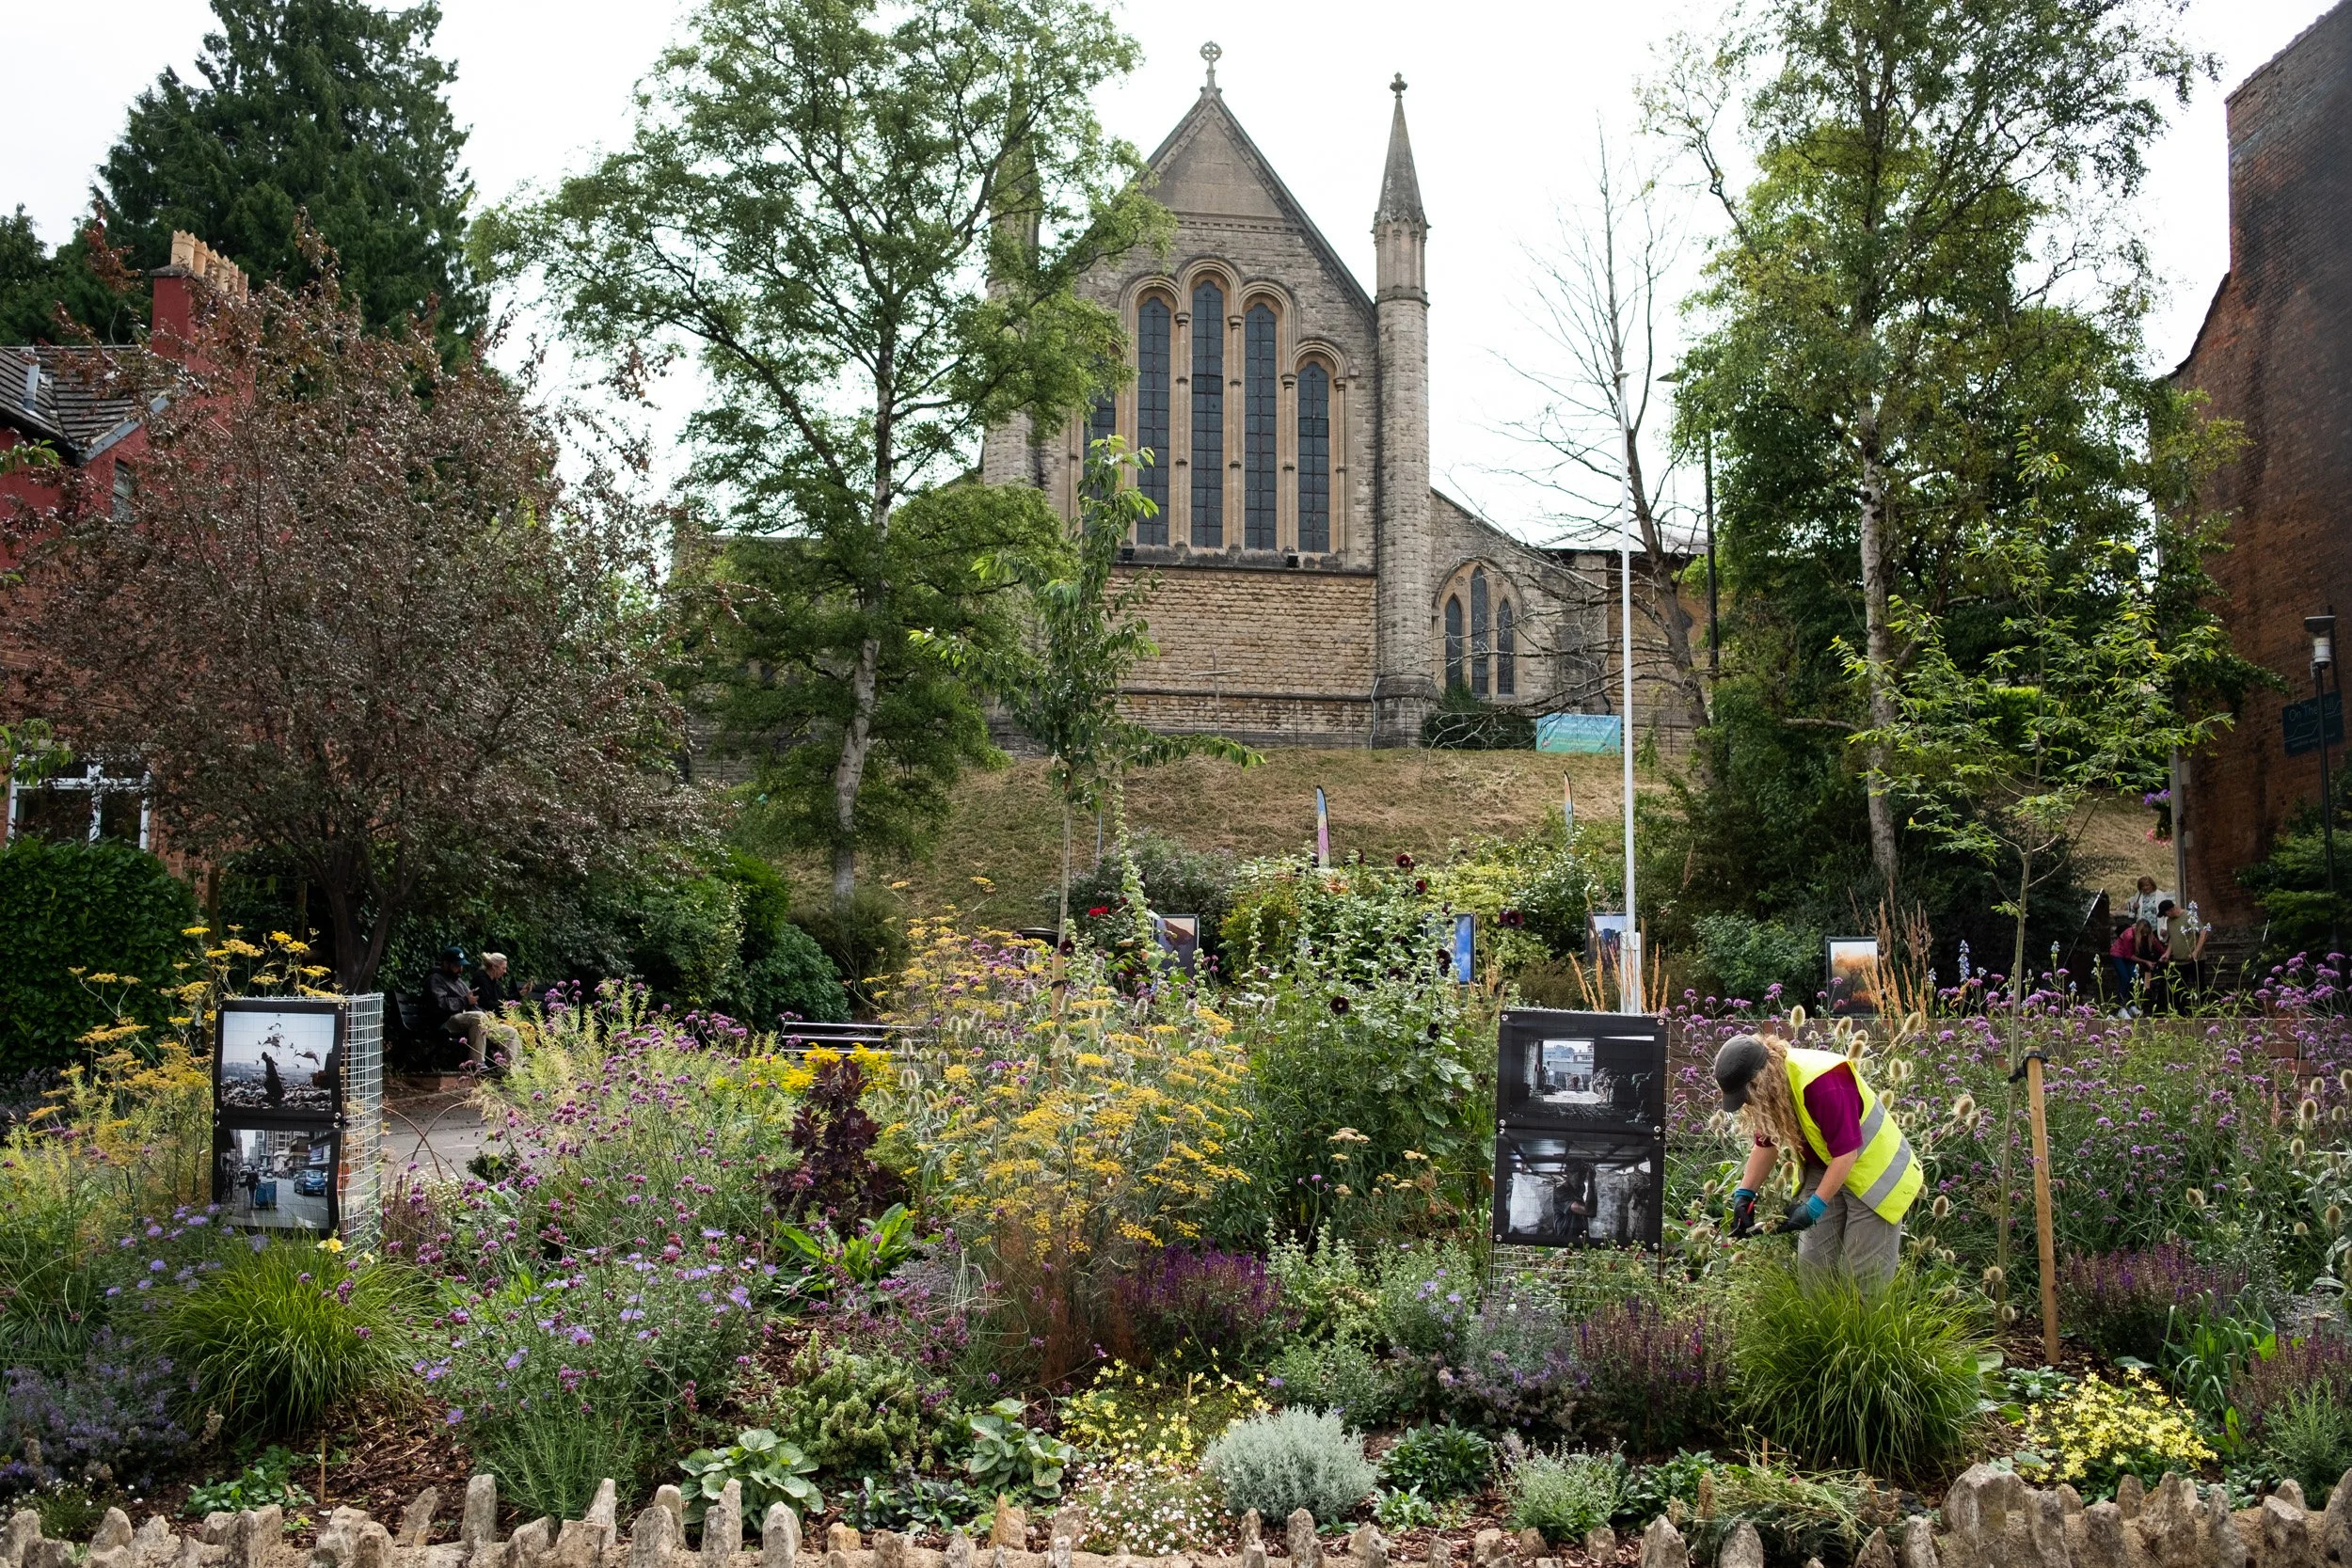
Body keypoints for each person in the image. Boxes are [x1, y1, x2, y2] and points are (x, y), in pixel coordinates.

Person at [1714, 1029, 1921, 1288]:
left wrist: (1813, 1208)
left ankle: (1861, 1329)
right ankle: (1817, 1328)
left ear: (1760, 1080)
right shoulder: (1775, 1089)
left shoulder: (1823, 1082)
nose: (1747, 1104)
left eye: (1747, 1096)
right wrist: (1744, 1195)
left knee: (1861, 1280)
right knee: (1814, 1269)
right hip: (1827, 1165)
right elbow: (1766, 1143)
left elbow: (1846, 1154)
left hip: (1874, 1171)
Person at [2159, 899, 2208, 1002]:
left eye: (2166, 914)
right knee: (2179, 989)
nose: (2166, 916)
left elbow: (2203, 932)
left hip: (2195, 960)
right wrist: (2167, 953)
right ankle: (2183, 1013)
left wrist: (2196, 951)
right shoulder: (2169, 921)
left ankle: (2204, 1012)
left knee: (2199, 986)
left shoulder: (2189, 915)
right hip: (2179, 961)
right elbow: (2172, 938)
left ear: (2170, 910)